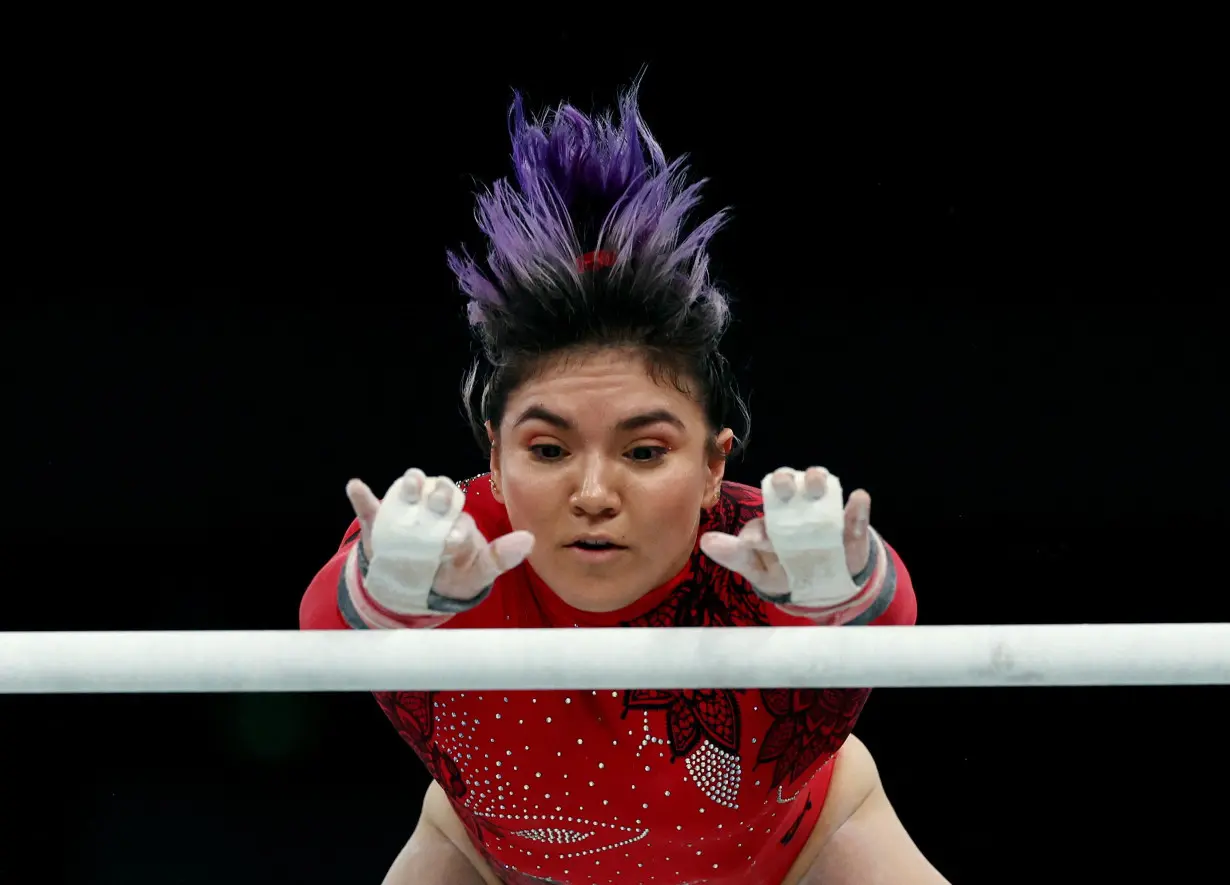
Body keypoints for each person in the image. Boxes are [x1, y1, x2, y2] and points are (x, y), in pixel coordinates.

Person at [299, 79, 947, 884]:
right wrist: (382, 592)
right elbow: (322, 630)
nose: (595, 492)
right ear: (494, 455)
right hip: (488, 862)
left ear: (716, 463)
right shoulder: (439, 554)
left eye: (644, 452)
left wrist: (840, 589)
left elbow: (895, 619)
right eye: (548, 450)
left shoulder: (772, 559)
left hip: (808, 848)